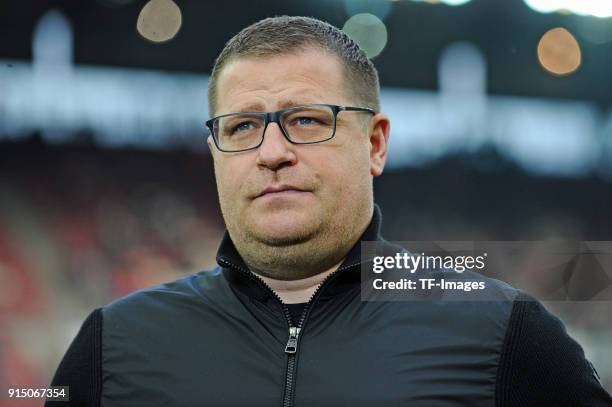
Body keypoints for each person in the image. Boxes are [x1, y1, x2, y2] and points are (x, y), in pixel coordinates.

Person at [47, 16, 612, 407]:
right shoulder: (111, 345)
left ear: (375, 145)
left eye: (308, 120)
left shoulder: (507, 333)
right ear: (215, 152)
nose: (271, 153)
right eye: (242, 126)